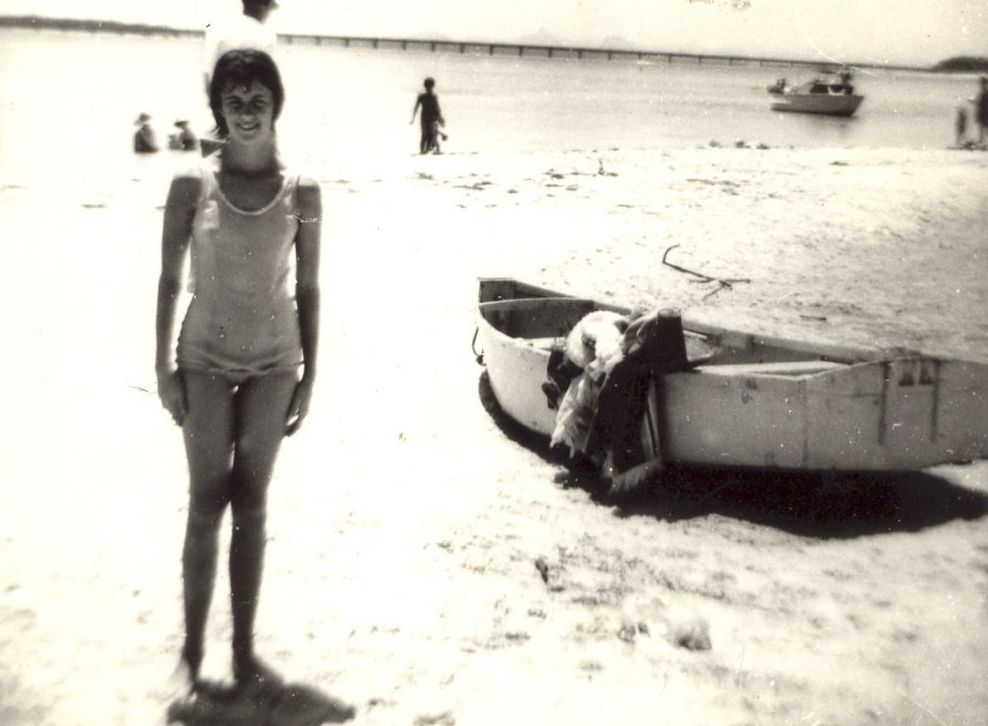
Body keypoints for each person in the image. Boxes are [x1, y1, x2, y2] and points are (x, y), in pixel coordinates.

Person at [155, 49, 321, 691]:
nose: (246, 112)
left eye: (257, 100)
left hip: (275, 363)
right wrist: (162, 367)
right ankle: (192, 654)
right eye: (234, 101)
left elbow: (309, 286)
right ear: (218, 109)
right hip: (202, 357)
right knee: (206, 502)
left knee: (252, 502)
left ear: (277, 106)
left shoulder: (304, 191)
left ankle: (244, 653)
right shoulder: (191, 184)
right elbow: (169, 280)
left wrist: (310, 375)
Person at [202, 0, 279, 95]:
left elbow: (207, 74)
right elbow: (266, 80)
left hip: (221, 98)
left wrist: (214, 101)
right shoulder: (267, 36)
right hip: (248, 100)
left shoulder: (217, 29)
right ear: (265, 8)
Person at [410, 77, 445, 154]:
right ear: (433, 85)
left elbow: (416, 107)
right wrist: (441, 119)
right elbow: (437, 109)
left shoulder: (422, 96)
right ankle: (435, 150)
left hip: (425, 118)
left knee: (425, 135)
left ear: (424, 85)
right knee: (432, 134)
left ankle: (423, 151)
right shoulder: (433, 96)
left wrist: (413, 118)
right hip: (432, 118)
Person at [975, 76, 988, 144]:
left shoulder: (984, 92)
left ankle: (982, 141)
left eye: (981, 83)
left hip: (984, 112)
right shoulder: (982, 92)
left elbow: (979, 101)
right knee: (982, 127)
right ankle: (982, 141)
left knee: (983, 127)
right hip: (982, 112)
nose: (980, 85)